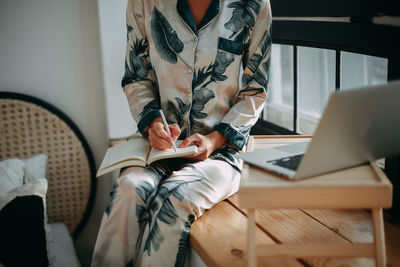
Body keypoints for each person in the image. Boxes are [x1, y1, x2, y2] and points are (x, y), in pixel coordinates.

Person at [91, 0, 272, 266]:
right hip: (158, 147)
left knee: (176, 198)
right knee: (128, 191)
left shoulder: (254, 5)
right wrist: (153, 124)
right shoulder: (143, 3)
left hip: (223, 151)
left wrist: (214, 139)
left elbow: (256, 90)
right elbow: (136, 77)